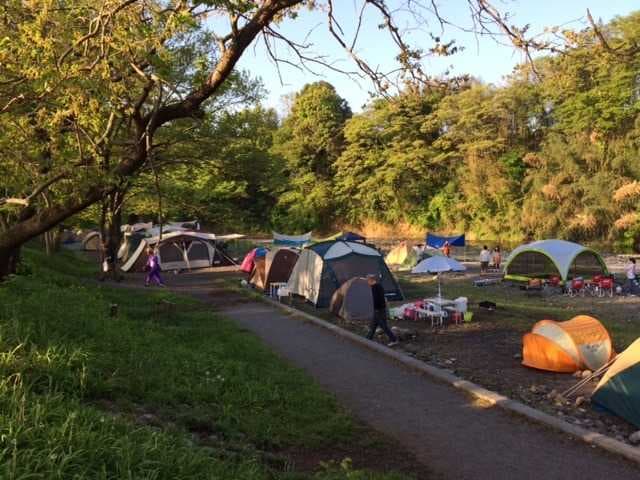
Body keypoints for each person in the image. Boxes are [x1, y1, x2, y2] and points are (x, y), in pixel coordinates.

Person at [366, 275, 398, 346]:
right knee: (373, 325)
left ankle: (394, 339)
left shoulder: (375, 287)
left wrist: (376, 309)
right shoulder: (378, 286)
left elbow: (377, 299)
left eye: (367, 280)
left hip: (379, 309)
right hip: (379, 309)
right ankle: (368, 338)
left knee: (384, 326)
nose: (367, 282)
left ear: (371, 280)